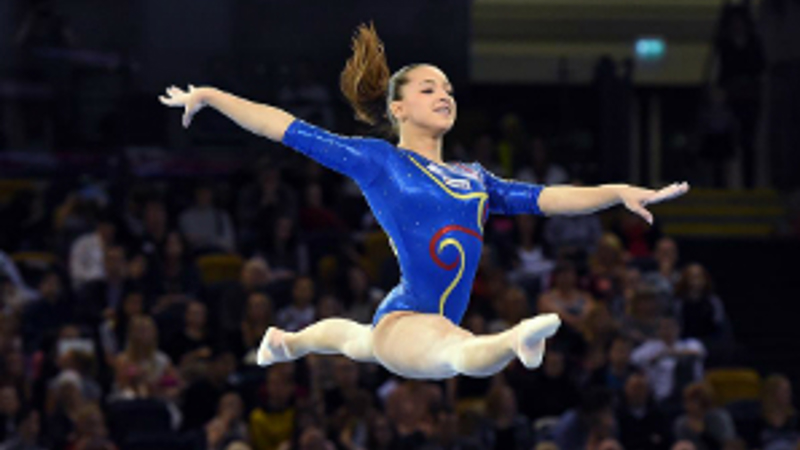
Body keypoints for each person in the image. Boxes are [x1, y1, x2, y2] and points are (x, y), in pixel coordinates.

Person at [159, 23, 690, 380]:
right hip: (412, 320)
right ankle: (515, 341)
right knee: (453, 348)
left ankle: (285, 342)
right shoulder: (379, 160)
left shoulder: (476, 178)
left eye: (450, 90)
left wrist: (617, 191)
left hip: (403, 318)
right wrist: (210, 97)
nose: (445, 96)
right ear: (398, 107)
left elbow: (549, 198)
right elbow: (284, 128)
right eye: (430, 88)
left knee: (358, 339)